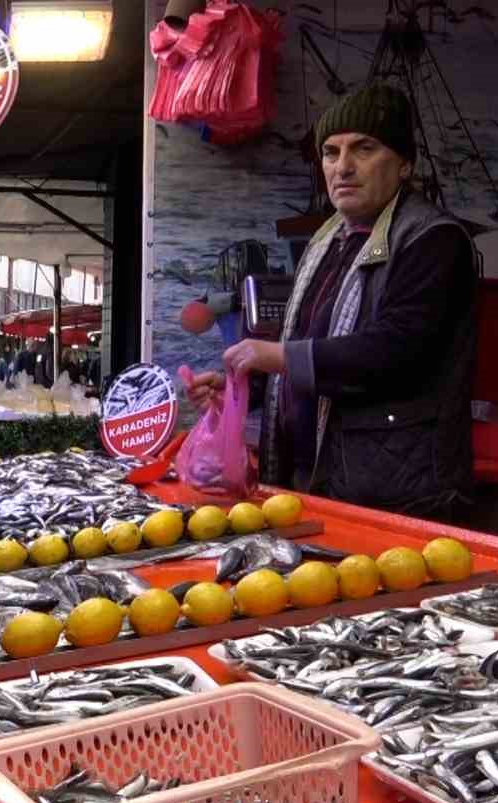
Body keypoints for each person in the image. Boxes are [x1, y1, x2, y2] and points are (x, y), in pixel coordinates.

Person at [187, 84, 478, 521]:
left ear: (404, 165)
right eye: (330, 152)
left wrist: (278, 356)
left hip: (397, 493)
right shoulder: (329, 239)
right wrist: (242, 386)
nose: (343, 167)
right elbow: (307, 341)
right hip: (315, 478)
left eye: (364, 149)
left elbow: (397, 350)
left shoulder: (433, 240)